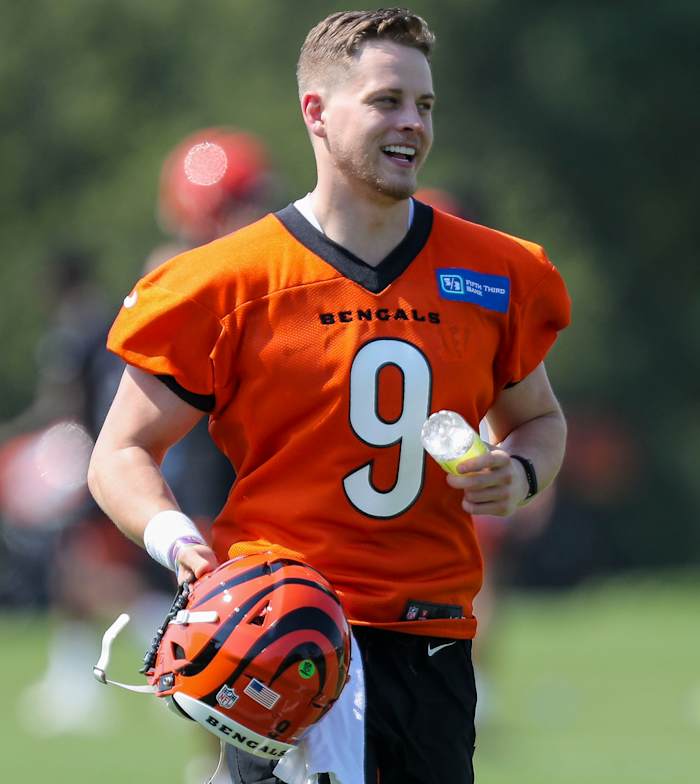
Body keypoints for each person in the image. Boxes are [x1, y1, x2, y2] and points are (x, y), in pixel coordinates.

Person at [88, 8, 571, 783]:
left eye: (425, 105)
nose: (412, 123)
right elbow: (120, 452)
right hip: (286, 637)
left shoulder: (495, 272)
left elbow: (540, 420)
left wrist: (520, 474)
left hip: (432, 645)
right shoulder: (223, 281)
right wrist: (179, 546)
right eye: (386, 101)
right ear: (316, 111)